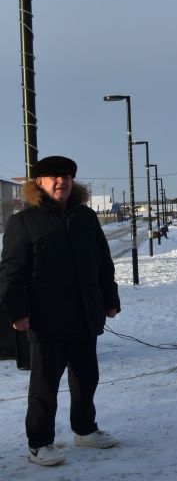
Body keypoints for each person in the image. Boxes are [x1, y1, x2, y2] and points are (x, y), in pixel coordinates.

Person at [0, 156, 121, 467]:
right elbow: (11, 271)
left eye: (66, 176)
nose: (61, 182)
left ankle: (85, 429)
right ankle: (39, 443)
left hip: (84, 312)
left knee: (86, 377)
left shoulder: (86, 218)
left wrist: (110, 298)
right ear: (38, 183)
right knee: (45, 385)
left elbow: (103, 263)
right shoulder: (24, 222)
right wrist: (17, 311)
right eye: (53, 177)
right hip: (45, 317)